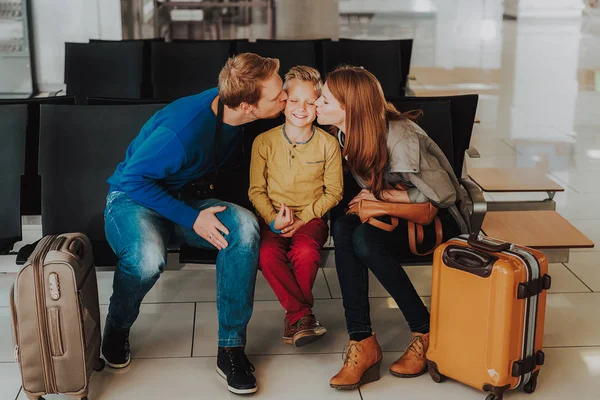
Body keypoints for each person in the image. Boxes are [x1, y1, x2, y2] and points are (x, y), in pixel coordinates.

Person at [102, 53, 288, 395]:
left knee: (244, 228)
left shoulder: (234, 105)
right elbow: (133, 180)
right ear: (248, 107)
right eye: (279, 96)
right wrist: (192, 218)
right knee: (147, 258)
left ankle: (230, 347)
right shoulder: (183, 130)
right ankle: (116, 327)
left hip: (184, 196)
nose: (286, 98)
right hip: (133, 198)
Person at [314, 66, 470, 390]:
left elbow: (443, 196)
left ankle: (425, 331)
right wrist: (383, 199)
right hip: (398, 215)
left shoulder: (399, 135)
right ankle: (363, 341)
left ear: (350, 107)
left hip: (439, 220)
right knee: (344, 228)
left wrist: (383, 198)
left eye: (324, 99)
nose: (317, 103)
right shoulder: (345, 133)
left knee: (364, 239)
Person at [248, 66, 343, 348]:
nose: (301, 108)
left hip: (311, 219)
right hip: (271, 218)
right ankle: (302, 316)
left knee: (305, 253)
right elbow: (256, 190)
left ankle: (295, 318)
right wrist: (272, 219)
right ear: (283, 103)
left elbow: (335, 191)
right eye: (294, 100)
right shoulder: (263, 142)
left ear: (318, 107)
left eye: (310, 102)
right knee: (266, 254)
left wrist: (305, 219)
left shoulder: (327, 145)